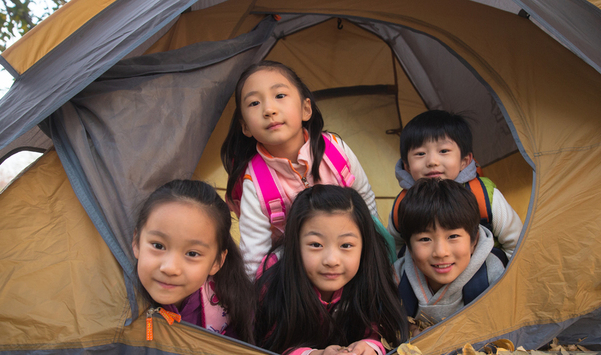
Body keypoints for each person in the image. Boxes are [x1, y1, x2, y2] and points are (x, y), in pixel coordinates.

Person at [221, 60, 378, 277]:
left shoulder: (336, 151)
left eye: (280, 96)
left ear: (305, 109)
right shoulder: (254, 183)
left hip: (351, 263)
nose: (269, 109)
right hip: (294, 276)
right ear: (245, 126)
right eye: (254, 103)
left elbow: (366, 204)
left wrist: (376, 261)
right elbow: (255, 260)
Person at [254, 185, 407, 355]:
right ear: (294, 245)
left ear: (364, 246)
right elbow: (269, 346)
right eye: (316, 245)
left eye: (346, 245)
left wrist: (370, 349)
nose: (331, 260)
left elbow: (384, 331)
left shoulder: (371, 278)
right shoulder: (275, 282)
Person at [132, 179, 254, 342]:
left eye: (192, 254)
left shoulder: (232, 307)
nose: (170, 268)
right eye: (158, 246)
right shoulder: (111, 303)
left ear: (217, 261)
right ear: (136, 242)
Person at [389, 110, 522, 258]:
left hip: (487, 277)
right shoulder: (403, 204)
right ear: (407, 166)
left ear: (464, 161)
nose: (432, 161)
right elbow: (395, 247)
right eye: (420, 153)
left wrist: (501, 278)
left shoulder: (483, 196)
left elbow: (517, 244)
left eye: (444, 151)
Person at [394, 178, 506, 328]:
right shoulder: (397, 279)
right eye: (425, 239)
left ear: (474, 241)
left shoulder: (494, 275)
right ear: (409, 247)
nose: (441, 252)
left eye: (453, 237)